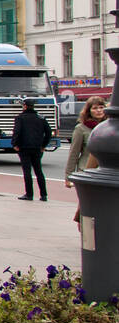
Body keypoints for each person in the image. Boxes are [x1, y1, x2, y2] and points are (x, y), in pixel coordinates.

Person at [66, 95, 107, 227]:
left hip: (105, 172)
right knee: (86, 204)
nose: (99, 111)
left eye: (101, 107)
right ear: (88, 111)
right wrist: (69, 176)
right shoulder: (81, 128)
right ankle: (84, 230)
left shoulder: (110, 126)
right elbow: (73, 153)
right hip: (87, 172)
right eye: (95, 108)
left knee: (104, 204)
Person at [10, 98, 52, 202]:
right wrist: (43, 145)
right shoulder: (41, 118)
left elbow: (17, 132)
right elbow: (48, 133)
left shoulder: (20, 118)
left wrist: (14, 144)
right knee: (39, 171)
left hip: (24, 147)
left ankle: (29, 194)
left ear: (24, 106)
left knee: (27, 171)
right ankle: (44, 195)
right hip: (37, 147)